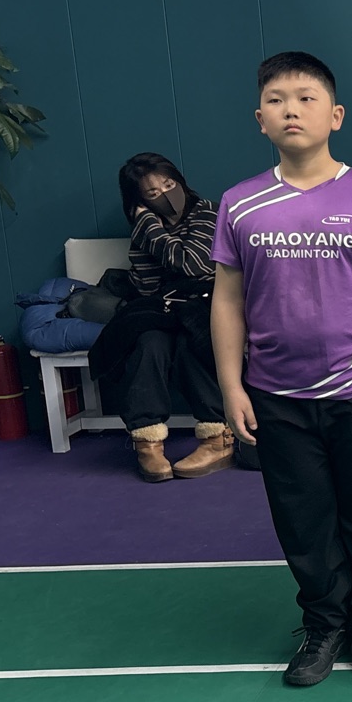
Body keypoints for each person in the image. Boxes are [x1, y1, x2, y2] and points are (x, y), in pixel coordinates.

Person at [211, 51, 352, 688]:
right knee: (302, 517)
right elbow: (227, 300)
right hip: (276, 395)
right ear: (260, 119)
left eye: (306, 98)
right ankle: (324, 623)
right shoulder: (240, 203)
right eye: (277, 100)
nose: (291, 110)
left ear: (335, 115)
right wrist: (231, 385)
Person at [89, 153, 228, 482]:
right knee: (148, 342)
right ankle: (147, 442)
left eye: (169, 184)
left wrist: (151, 228)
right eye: (152, 193)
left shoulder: (207, 211)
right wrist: (148, 230)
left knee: (191, 341)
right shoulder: (145, 228)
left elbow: (194, 264)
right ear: (139, 200)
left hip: (207, 301)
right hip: (164, 307)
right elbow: (147, 287)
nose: (165, 195)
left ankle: (217, 438)